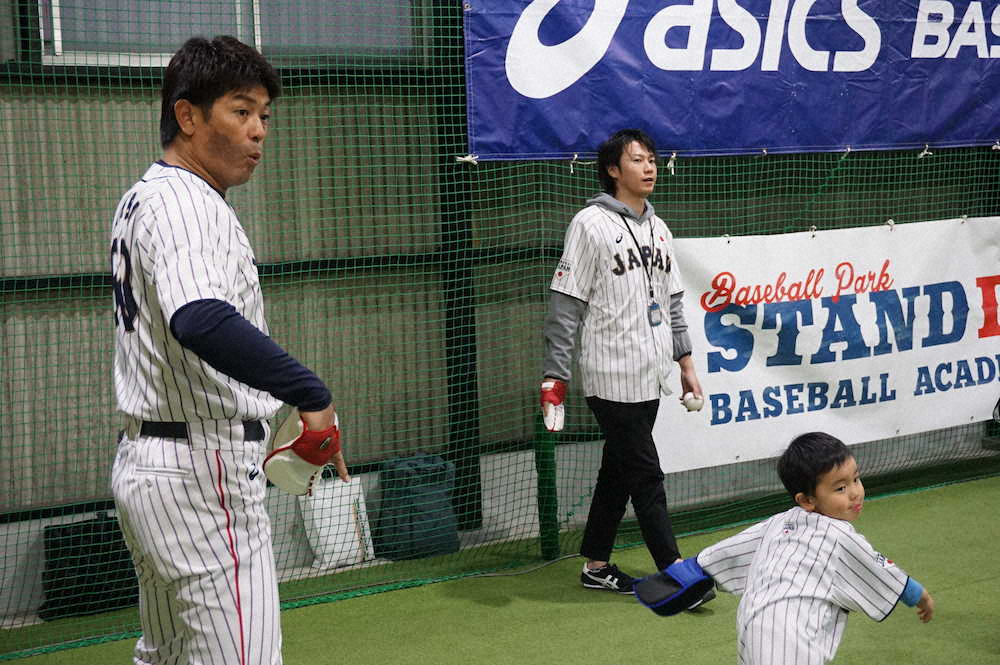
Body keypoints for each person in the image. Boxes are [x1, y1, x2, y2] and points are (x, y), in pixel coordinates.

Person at [109, 35, 348, 665]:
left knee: (163, 654)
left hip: (149, 465)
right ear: (187, 117)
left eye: (264, 115)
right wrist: (310, 392)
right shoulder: (189, 203)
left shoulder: (145, 196)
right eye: (240, 111)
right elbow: (202, 320)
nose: (258, 130)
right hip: (200, 473)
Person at [540, 128, 707, 597]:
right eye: (638, 160)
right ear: (614, 170)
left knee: (618, 471)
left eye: (652, 159)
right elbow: (566, 303)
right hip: (610, 374)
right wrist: (555, 375)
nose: (649, 167)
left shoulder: (659, 227)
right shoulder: (589, 224)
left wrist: (686, 361)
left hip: (650, 374)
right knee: (646, 474)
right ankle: (676, 571)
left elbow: (673, 301)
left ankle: (595, 565)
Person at [692, 432, 934, 664]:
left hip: (752, 619)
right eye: (840, 488)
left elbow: (730, 550)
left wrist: (691, 569)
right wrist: (919, 596)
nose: (855, 493)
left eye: (856, 479)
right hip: (789, 635)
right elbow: (881, 572)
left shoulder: (781, 521)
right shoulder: (839, 535)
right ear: (807, 500)